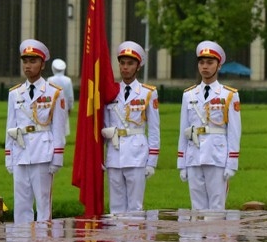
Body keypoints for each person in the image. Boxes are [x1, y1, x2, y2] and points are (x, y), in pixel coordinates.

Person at [5, 39, 67, 223]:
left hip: (43, 152)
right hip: (20, 151)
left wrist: (57, 157)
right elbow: (10, 126)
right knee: (21, 203)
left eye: (33, 61)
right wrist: (9, 155)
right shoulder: (15, 93)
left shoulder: (54, 92)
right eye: (25, 61)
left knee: (43, 203)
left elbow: (58, 128)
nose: (27, 65)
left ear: (42, 64)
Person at [177, 40, 242, 211]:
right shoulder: (189, 94)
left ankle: (216, 238)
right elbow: (183, 130)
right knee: (196, 207)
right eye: (201, 62)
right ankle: (198, 238)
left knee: (216, 207)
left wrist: (231, 163)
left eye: (210, 62)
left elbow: (234, 131)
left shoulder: (229, 95)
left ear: (218, 66)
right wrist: (181, 163)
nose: (205, 66)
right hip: (194, 156)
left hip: (217, 156)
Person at [102, 40, 161, 214]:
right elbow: (104, 123)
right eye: (122, 63)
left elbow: (154, 129)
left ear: (138, 66)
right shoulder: (111, 90)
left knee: (135, 207)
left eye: (130, 63)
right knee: (116, 208)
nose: (125, 67)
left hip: (137, 154)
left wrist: (152, 161)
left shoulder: (147, 93)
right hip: (114, 153)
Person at [47, 59, 74, 136]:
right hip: (64, 105)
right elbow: (70, 96)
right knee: (63, 125)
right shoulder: (68, 80)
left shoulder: (50, 79)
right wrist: (70, 107)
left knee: (53, 125)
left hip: (52, 105)